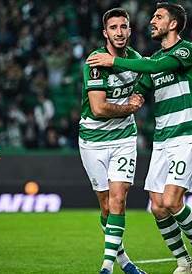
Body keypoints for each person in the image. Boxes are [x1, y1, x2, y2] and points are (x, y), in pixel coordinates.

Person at [87, 2, 192, 274]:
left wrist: (114, 60)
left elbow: (154, 64)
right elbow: (141, 84)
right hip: (162, 141)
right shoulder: (156, 62)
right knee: (157, 206)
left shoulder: (185, 50)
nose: (152, 22)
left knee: (171, 201)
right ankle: (182, 261)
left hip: (187, 136)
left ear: (173, 24)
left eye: (159, 17)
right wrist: (130, 97)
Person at [79, 8, 147, 274]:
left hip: (123, 138)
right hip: (93, 140)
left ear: (130, 30)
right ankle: (124, 261)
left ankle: (106, 267)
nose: (119, 32)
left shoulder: (135, 59)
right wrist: (129, 108)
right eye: (113, 28)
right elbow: (98, 108)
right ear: (105, 33)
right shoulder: (95, 61)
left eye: (123, 27)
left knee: (119, 199)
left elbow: (155, 70)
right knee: (106, 205)